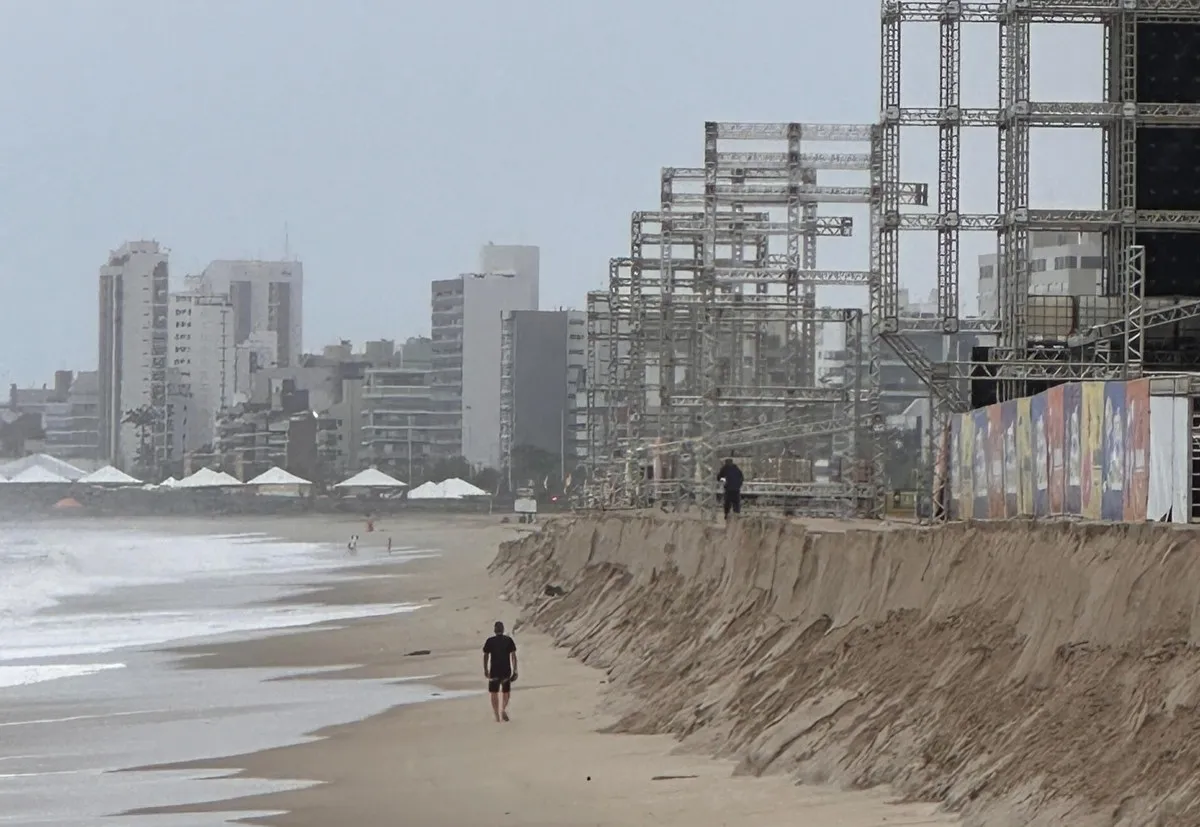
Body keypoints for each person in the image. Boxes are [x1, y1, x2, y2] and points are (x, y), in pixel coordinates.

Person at [482, 621, 518, 722]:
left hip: (494, 670)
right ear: (503, 629)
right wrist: (515, 669)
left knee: (494, 693)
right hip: (506, 670)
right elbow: (513, 656)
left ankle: (497, 715)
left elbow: (486, 656)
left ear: (494, 630)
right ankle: (503, 709)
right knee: (506, 692)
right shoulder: (508, 640)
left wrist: (485, 669)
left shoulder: (490, 641)